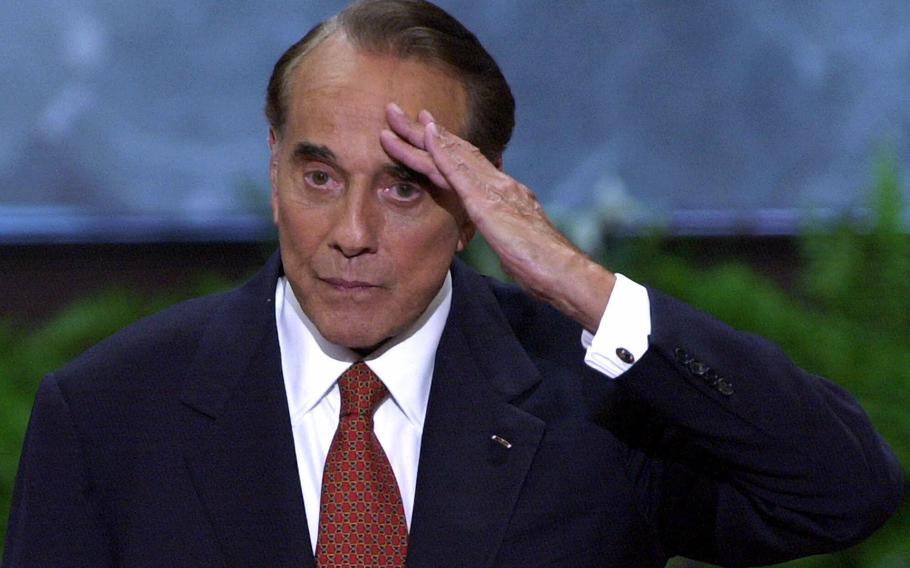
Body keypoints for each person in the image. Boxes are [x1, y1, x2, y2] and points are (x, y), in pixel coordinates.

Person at [3, 1, 903, 566]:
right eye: (320, 177)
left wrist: (585, 287)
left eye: (406, 187)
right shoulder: (111, 414)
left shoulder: (596, 409)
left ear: (480, 199)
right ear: (273, 167)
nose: (352, 234)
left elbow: (841, 492)